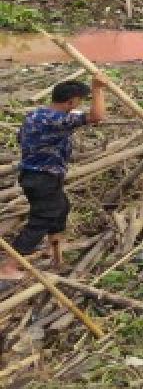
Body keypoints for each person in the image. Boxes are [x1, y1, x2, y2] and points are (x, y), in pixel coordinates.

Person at [0, 79, 107, 280]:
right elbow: (97, 116)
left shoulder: (36, 114)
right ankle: (9, 266)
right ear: (72, 101)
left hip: (38, 176)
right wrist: (98, 89)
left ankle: (54, 251)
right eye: (79, 101)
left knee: (61, 208)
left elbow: (21, 137)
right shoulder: (56, 119)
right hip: (42, 178)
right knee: (42, 219)